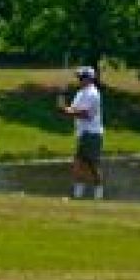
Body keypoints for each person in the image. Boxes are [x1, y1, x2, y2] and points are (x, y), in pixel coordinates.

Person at [59, 66, 104, 199]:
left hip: (92, 133)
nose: (79, 79)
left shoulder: (93, 93)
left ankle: (98, 194)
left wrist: (67, 111)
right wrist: (62, 100)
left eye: (82, 77)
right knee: (80, 164)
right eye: (79, 77)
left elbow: (86, 114)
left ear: (89, 79)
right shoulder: (80, 93)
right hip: (84, 134)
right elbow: (73, 109)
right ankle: (79, 195)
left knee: (92, 165)